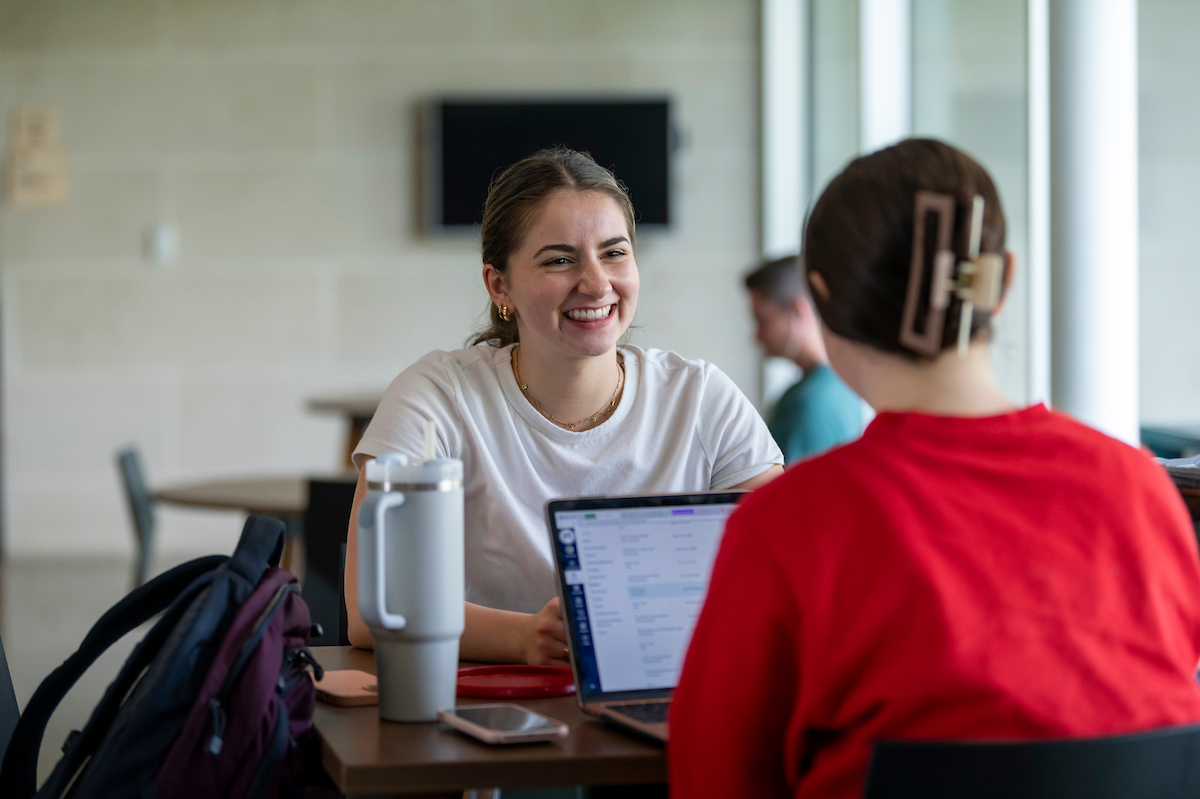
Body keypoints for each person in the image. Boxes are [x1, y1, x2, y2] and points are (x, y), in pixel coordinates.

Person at [669, 139, 1200, 799]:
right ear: (1000, 283)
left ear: (824, 299)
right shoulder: (1142, 489)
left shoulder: (789, 522)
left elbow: (713, 781)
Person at [344, 147, 784, 664]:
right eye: (559, 259)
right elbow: (374, 610)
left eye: (614, 253)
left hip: (665, 704)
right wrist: (527, 637)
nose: (597, 283)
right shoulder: (438, 395)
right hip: (482, 715)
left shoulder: (701, 397)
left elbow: (783, 580)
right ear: (499, 284)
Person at [744, 255, 862, 462]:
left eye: (762, 320)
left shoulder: (811, 405)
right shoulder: (841, 386)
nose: (757, 336)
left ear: (798, 311)